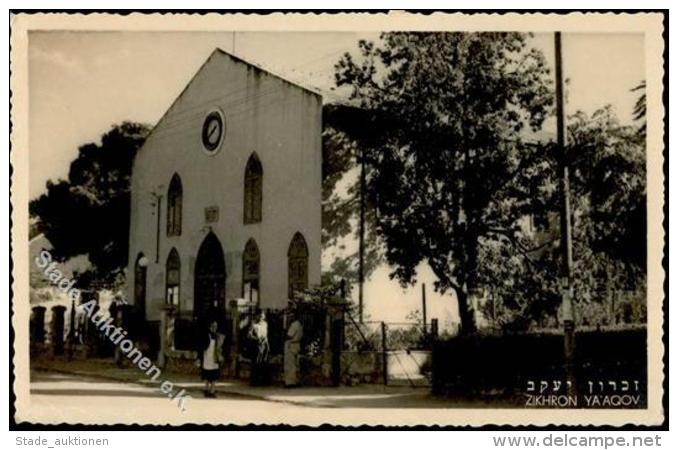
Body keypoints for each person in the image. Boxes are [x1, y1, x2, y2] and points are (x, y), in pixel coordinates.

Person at [196, 319, 224, 398]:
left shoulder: (218, 336)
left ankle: (212, 390)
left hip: (214, 357)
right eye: (213, 326)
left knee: (214, 375)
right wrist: (199, 357)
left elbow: (220, 347)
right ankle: (206, 389)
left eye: (216, 326)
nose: (214, 328)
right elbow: (201, 348)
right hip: (207, 357)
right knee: (206, 374)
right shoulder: (205, 335)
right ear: (210, 327)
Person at [248, 309, 270, 386]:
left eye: (262, 315)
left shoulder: (265, 324)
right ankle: (255, 381)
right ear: (256, 316)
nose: (261, 317)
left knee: (264, 362)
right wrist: (256, 339)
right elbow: (249, 335)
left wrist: (266, 342)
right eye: (259, 315)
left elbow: (266, 334)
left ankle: (263, 381)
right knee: (256, 362)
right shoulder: (253, 324)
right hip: (256, 345)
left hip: (264, 344)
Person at [284, 310, 303, 387]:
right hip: (297, 344)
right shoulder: (300, 325)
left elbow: (289, 335)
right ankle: (296, 380)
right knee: (296, 364)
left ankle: (290, 382)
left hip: (291, 344)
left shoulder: (294, 325)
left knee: (290, 364)